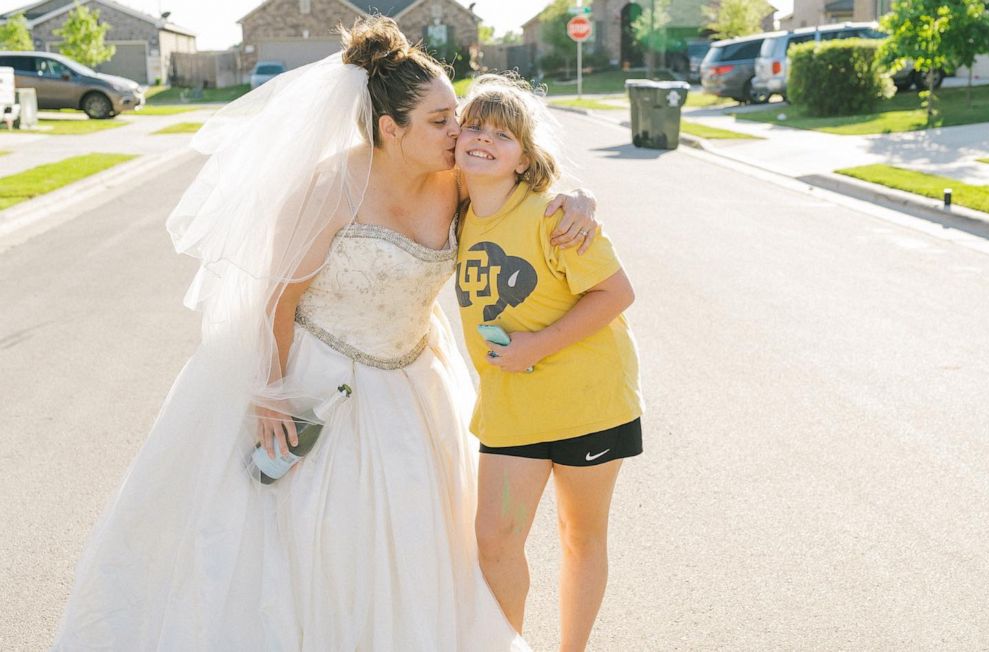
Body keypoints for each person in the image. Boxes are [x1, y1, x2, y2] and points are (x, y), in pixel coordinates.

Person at [52, 18, 599, 651]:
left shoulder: (458, 184)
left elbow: (529, 189)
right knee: (311, 539)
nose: (461, 131)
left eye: (458, 114)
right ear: (391, 129)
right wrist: (268, 391)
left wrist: (578, 198)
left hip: (415, 378)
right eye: (441, 120)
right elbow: (275, 300)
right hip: (315, 372)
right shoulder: (331, 187)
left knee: (418, 535)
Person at [453, 75, 644, 651]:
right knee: (495, 541)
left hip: (589, 406)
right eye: (475, 127)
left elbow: (616, 293)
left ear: (524, 158)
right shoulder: (455, 212)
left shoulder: (553, 215)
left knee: (579, 537)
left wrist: (536, 346)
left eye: (503, 135)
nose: (484, 140)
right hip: (510, 411)